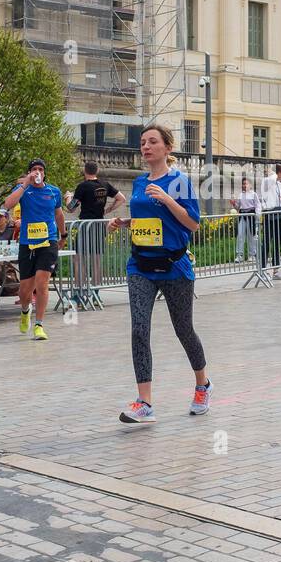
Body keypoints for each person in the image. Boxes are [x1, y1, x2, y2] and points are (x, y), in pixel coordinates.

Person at [111, 125, 210, 424]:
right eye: (142, 142)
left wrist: (168, 199)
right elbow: (149, 220)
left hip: (174, 266)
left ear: (167, 148)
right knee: (139, 329)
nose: (146, 146)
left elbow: (193, 223)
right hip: (140, 265)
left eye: (153, 141)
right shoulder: (140, 182)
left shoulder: (179, 181)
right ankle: (145, 402)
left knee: (184, 330)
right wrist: (125, 222)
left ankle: (202, 385)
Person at [0, 159, 65, 341]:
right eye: (34, 169)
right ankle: (25, 311)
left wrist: (64, 235)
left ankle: (39, 325)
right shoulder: (24, 189)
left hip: (48, 241)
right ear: (29, 172)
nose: (37, 172)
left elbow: (59, 213)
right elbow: (7, 204)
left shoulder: (53, 191)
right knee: (24, 290)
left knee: (42, 283)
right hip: (27, 243)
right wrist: (25, 184)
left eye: (41, 169)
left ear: (44, 173)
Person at [67, 161, 125, 296]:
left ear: (85, 171)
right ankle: (95, 294)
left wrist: (68, 197)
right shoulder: (104, 185)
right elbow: (121, 198)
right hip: (99, 226)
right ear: (97, 171)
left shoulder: (82, 186)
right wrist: (108, 209)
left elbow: (71, 208)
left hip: (85, 226)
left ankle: (79, 292)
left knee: (79, 259)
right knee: (97, 260)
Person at [259, 163, 281, 280]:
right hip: (269, 213)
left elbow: (278, 199)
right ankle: (263, 270)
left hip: (278, 212)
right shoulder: (266, 181)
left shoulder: (279, 184)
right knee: (266, 242)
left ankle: (276, 270)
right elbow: (271, 180)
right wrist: (273, 172)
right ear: (278, 173)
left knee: (277, 242)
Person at [231, 176, 258, 263]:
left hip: (251, 215)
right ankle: (240, 255)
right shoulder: (240, 195)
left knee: (251, 236)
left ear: (250, 185)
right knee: (240, 235)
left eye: (246, 183)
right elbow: (238, 207)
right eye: (243, 184)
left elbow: (258, 206)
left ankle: (252, 255)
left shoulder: (254, 194)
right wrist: (233, 204)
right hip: (242, 215)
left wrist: (257, 216)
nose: (244, 185)